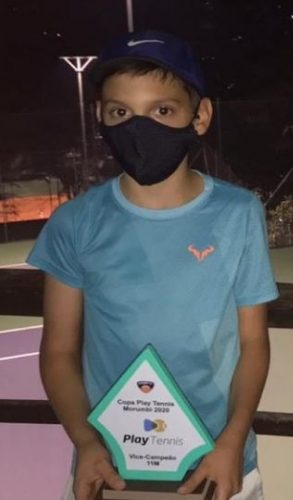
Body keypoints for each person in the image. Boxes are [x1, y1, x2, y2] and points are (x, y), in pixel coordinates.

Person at [28, 30, 278, 500]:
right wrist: (86, 442)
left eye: (162, 110)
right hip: (110, 467)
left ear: (199, 116)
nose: (139, 129)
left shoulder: (239, 213)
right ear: (100, 116)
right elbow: (58, 351)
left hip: (219, 463)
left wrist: (231, 442)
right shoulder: (75, 222)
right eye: (121, 112)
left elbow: (252, 343)